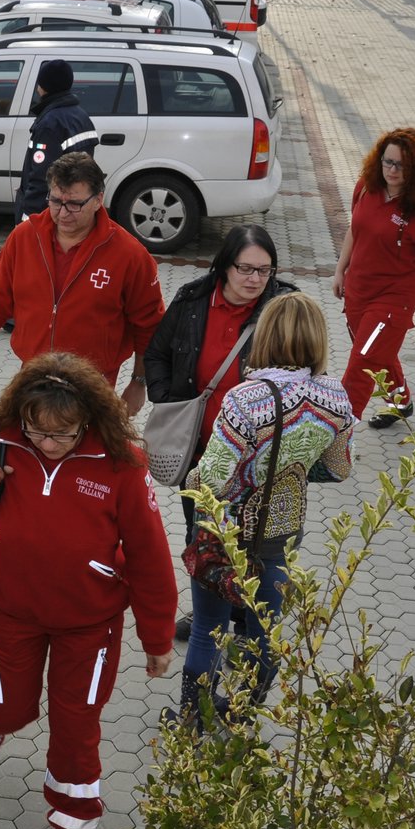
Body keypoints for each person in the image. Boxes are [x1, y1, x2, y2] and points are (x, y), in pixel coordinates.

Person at [0, 352, 176, 829]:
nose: (47, 445)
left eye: (63, 435)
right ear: (21, 414)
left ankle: (68, 825)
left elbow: (150, 556)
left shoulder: (123, 463)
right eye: (37, 432)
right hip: (9, 612)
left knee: (76, 726)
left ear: (87, 421)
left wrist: (157, 636)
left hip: (89, 626)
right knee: (4, 707)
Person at [176, 292, 354, 730]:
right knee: (265, 633)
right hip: (282, 533)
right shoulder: (336, 397)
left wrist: (189, 482)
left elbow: (211, 480)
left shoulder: (245, 399)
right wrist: (289, 467)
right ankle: (244, 716)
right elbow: (339, 470)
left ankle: (193, 720)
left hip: (225, 535)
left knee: (207, 629)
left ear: (266, 335)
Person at [143, 224, 294, 643]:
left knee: (254, 540)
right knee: (202, 537)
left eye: (264, 271)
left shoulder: (284, 306)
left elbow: (305, 371)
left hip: (258, 459)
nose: (254, 279)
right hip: (201, 454)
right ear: (224, 267)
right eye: (245, 268)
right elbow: (156, 352)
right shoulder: (193, 299)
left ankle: (248, 624)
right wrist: (169, 399)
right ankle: (209, 610)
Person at [0, 153, 164, 418]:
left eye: (74, 204)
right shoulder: (23, 238)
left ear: (98, 200)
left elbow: (149, 326)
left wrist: (139, 382)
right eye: (55, 201)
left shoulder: (129, 255)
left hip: (92, 386)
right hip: (32, 377)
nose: (62, 213)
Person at [332, 127, 415, 428]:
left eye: (401, 165)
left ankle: (337, 431)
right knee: (378, 351)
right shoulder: (367, 187)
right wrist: (341, 269)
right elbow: (356, 230)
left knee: (363, 360)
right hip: (358, 290)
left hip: (394, 300)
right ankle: (400, 402)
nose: (392, 170)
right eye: (387, 162)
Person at [16, 59, 99, 222]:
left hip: (50, 212)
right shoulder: (81, 116)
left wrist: (28, 218)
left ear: (44, 87)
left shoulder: (50, 123)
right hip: (74, 205)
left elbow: (42, 177)